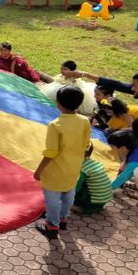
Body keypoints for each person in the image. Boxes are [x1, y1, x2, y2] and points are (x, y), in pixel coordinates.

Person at [33, 86, 92, 239]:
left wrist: (39, 170)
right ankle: (63, 219)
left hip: (55, 172)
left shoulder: (55, 125)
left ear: (58, 103)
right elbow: (87, 144)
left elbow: (51, 152)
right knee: (68, 195)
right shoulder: (85, 121)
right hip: (74, 168)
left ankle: (52, 226)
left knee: (52, 199)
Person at [73, 143, 113, 214]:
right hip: (104, 199)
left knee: (69, 193)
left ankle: (77, 208)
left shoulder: (84, 169)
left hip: (93, 202)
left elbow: (76, 188)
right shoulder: (94, 163)